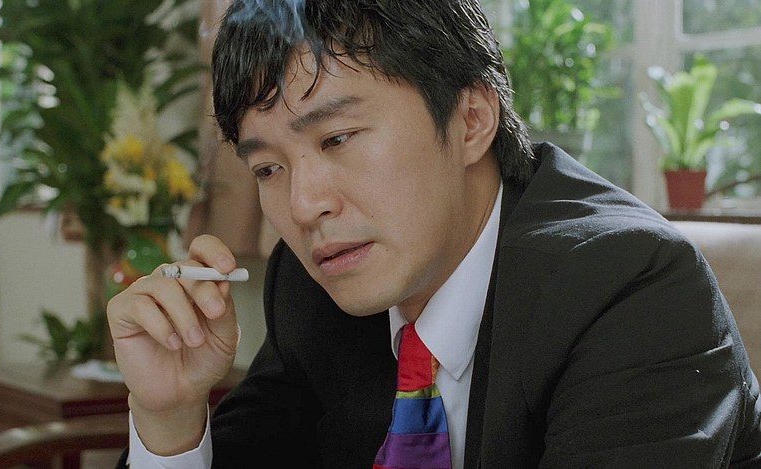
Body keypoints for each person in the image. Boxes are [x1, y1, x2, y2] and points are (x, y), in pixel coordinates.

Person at [108, 0, 761, 467]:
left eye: (338, 138)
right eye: (268, 168)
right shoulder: (314, 290)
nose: (303, 205)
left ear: (472, 118)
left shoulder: (629, 288)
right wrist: (170, 418)